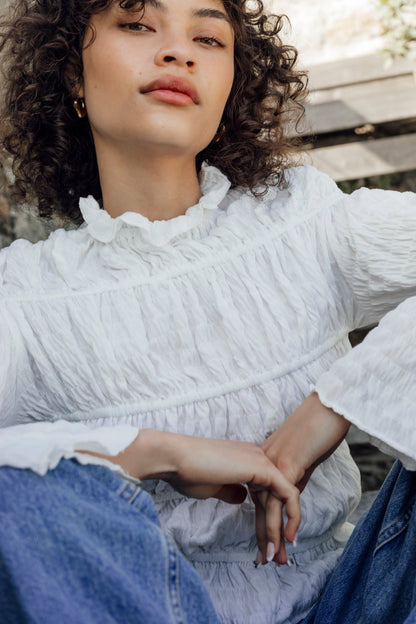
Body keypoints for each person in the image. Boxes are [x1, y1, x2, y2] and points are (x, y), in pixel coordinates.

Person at [0, 0, 415, 622]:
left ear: (230, 89)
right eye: (137, 25)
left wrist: (336, 402)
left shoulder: (304, 221)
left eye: (209, 38)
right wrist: (149, 451)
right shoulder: (26, 298)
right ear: (71, 74)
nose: (178, 51)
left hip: (358, 601)